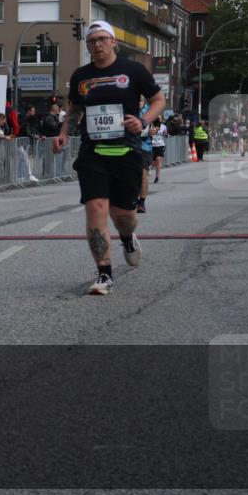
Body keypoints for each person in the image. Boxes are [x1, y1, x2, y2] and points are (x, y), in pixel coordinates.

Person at [52, 20, 165, 296]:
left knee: (124, 215)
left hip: (126, 151)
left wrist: (143, 120)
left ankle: (127, 237)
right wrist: (64, 132)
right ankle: (104, 274)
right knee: (96, 208)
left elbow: (159, 99)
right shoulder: (81, 75)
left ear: (113, 42)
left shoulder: (133, 70)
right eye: (92, 41)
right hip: (93, 153)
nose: (97, 44)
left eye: (103, 39)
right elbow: (75, 109)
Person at [150, 117, 167, 183]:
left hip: (160, 145)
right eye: (158, 118)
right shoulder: (150, 125)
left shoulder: (164, 126)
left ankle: (157, 177)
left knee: (158, 160)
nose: (159, 120)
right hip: (151, 145)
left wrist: (165, 134)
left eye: (160, 119)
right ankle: (151, 166)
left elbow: (165, 134)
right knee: (153, 162)